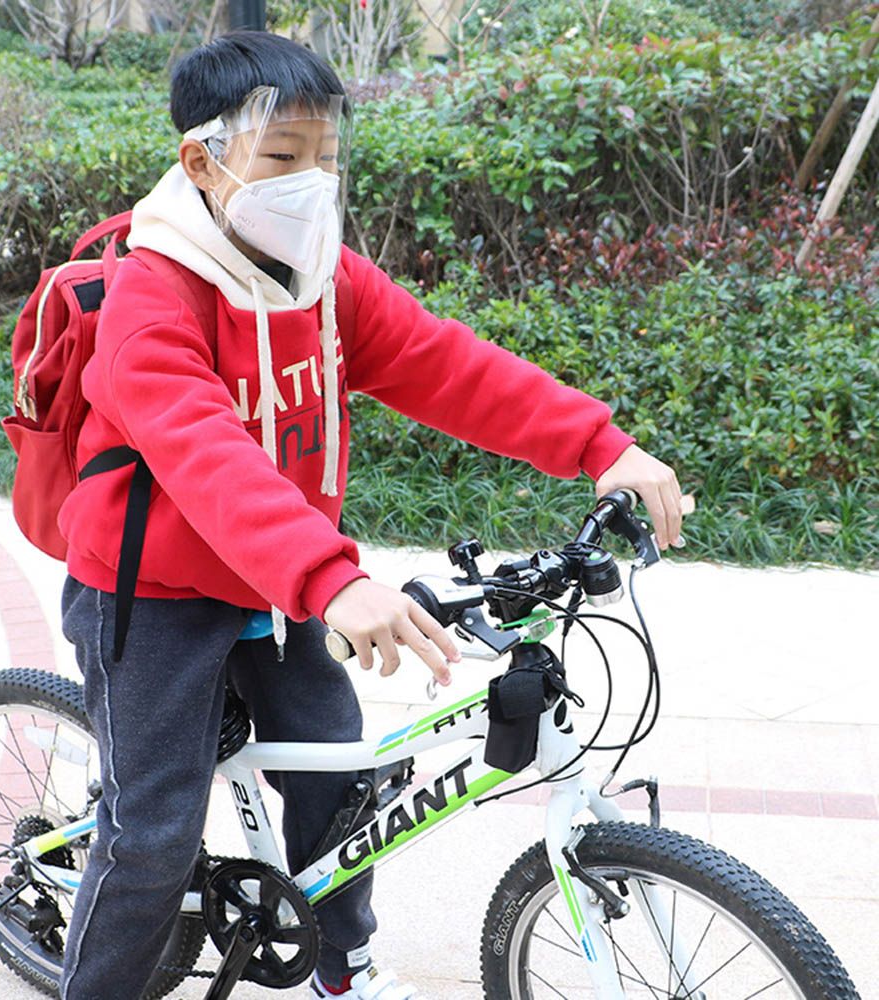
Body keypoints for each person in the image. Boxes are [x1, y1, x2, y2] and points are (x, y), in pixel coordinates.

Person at [56, 30, 684, 1000]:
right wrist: (332, 578)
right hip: (152, 596)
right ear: (203, 161)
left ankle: (338, 971)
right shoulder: (153, 295)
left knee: (341, 781)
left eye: (325, 156)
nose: (312, 182)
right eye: (282, 157)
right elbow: (204, 453)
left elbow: (448, 366)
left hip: (273, 588)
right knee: (152, 836)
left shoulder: (322, 280)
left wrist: (599, 444)